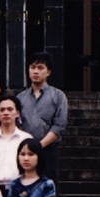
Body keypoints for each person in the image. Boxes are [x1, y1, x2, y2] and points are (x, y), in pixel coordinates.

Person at [17, 52, 68, 185]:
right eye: (32, 67)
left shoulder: (58, 96)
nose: (36, 71)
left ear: (48, 72)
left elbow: (59, 125)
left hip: (48, 150)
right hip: (25, 152)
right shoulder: (20, 98)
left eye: (40, 68)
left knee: (48, 189)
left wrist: (39, 146)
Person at [0, 96, 33, 197]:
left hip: (20, 189)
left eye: (10, 109)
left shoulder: (26, 139)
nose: (6, 113)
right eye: (2, 110)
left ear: (17, 113)